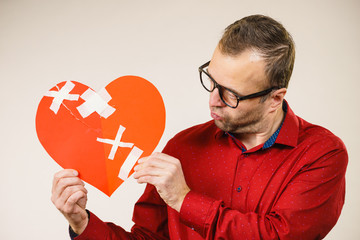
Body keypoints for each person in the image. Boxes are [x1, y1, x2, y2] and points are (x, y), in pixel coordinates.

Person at [51, 15, 348, 239]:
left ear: (275, 98)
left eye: (231, 93)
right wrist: (82, 223)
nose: (213, 100)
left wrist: (184, 199)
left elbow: (278, 235)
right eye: (212, 81)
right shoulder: (182, 147)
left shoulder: (321, 154)